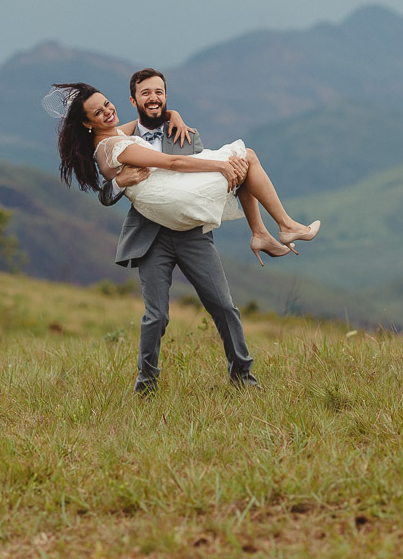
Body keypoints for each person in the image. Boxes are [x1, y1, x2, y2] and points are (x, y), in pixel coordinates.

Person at [52, 69, 319, 392]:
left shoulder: (170, 132)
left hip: (190, 231)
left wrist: (174, 115)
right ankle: (146, 383)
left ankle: (243, 376)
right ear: (132, 100)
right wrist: (118, 182)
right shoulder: (113, 141)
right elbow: (148, 171)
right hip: (151, 236)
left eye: (107, 105)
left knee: (223, 305)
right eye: (99, 111)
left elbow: (138, 139)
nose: (108, 112)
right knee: (157, 316)